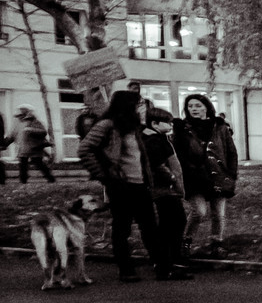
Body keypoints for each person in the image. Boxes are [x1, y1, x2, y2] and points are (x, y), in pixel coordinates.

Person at [78, 90, 187, 281]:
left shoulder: (135, 127)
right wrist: (104, 175)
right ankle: (126, 269)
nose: (143, 108)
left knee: (150, 228)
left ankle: (164, 268)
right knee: (122, 228)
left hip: (140, 185)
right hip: (120, 185)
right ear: (128, 106)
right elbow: (85, 149)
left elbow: (140, 158)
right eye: (139, 104)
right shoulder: (107, 125)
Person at [174, 94, 239, 257]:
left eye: (197, 106)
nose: (194, 109)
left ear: (206, 107)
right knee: (199, 211)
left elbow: (231, 151)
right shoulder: (182, 128)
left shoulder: (219, 126)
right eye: (190, 106)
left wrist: (231, 173)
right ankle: (186, 242)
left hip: (218, 175)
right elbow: (178, 153)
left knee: (218, 214)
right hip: (194, 178)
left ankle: (217, 244)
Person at [142, 106, 192, 270]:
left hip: (165, 188)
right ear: (155, 124)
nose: (171, 125)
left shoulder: (158, 138)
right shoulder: (154, 141)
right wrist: (171, 178)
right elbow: (158, 164)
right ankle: (171, 259)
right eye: (168, 122)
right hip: (164, 189)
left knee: (170, 222)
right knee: (175, 222)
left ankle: (166, 259)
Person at [13, 106, 55, 184]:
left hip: (35, 148)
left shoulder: (35, 122)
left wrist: (31, 130)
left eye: (20, 115)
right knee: (23, 166)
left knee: (39, 164)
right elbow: (12, 134)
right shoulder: (18, 124)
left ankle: (51, 179)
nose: (18, 117)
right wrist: (4, 143)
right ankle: (23, 182)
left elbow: (43, 132)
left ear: (25, 114)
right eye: (18, 116)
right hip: (23, 148)